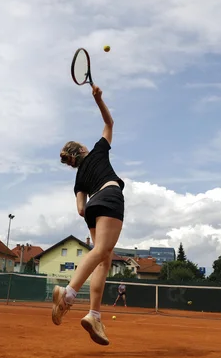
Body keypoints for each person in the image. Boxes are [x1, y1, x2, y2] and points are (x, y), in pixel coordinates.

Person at [52, 84, 125, 346]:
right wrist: (98, 98)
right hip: (110, 196)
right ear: (82, 149)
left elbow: (80, 209)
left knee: (103, 259)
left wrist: (87, 196)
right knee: (102, 251)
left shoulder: (79, 178)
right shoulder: (99, 150)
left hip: (92, 207)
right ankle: (69, 295)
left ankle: (94, 315)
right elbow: (109, 122)